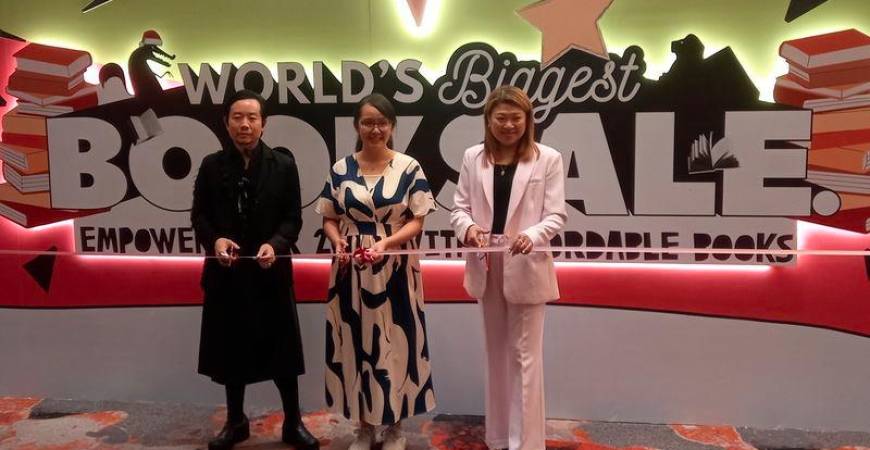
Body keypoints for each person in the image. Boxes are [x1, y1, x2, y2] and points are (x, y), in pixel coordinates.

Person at [191, 89, 318, 450]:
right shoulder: (211, 165)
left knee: (284, 354)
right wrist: (214, 242)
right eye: (237, 117)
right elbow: (198, 216)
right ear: (226, 122)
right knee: (231, 353)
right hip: (226, 275)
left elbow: (293, 219)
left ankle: (293, 422)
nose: (244, 124)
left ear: (263, 124)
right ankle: (236, 422)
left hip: (270, 274)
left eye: (252, 117)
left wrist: (276, 245)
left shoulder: (283, 165)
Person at [315, 93, 437, 450]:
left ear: (392, 126)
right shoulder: (341, 169)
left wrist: (385, 244)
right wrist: (338, 241)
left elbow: (418, 221)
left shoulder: (409, 167)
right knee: (355, 344)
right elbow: (328, 218)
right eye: (367, 122)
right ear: (357, 126)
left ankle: (396, 427)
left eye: (382, 122)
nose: (375, 129)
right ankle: (364, 426)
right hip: (350, 269)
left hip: (397, 266)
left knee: (397, 342)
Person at [450, 86, 567, 450]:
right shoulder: (473, 157)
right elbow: (459, 208)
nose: (508, 124)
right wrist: (467, 228)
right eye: (500, 117)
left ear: (528, 120)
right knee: (496, 353)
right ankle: (499, 436)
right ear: (488, 120)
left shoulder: (547, 158)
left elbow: (556, 214)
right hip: (487, 265)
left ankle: (526, 443)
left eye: (516, 117)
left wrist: (533, 234)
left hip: (527, 264)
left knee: (526, 357)